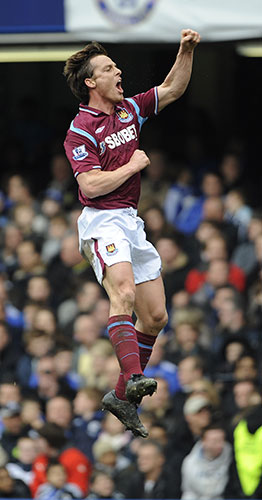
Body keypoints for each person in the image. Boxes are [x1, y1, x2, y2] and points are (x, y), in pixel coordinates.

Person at [63, 29, 200, 438]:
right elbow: (89, 187)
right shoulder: (80, 130)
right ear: (91, 83)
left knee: (156, 316)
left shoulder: (129, 110)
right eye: (108, 68)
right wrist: (131, 167)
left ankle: (121, 395)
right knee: (122, 293)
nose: (117, 71)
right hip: (101, 219)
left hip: (130, 221)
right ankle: (133, 375)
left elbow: (173, 88)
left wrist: (185, 51)